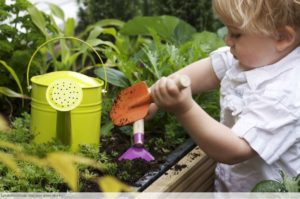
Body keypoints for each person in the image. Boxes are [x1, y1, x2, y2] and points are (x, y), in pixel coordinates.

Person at [146, 0, 300, 192]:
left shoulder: (286, 94)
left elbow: (235, 149)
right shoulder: (255, 57)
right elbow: (209, 71)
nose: (227, 40)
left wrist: (184, 108)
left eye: (236, 34)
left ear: (282, 37)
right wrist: (153, 95)